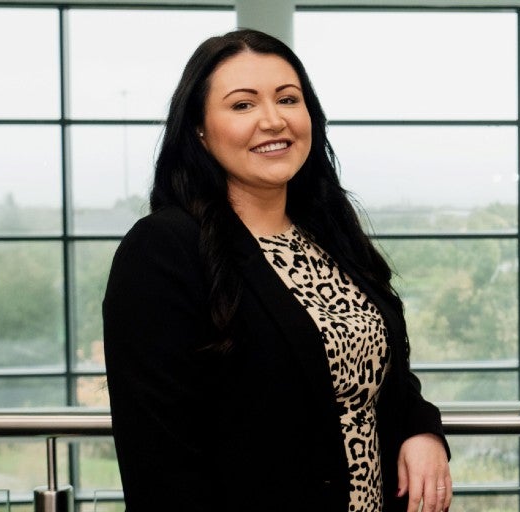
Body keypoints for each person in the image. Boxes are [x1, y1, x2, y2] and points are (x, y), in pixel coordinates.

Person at [102, 28, 451, 512]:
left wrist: (420, 429)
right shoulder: (164, 248)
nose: (272, 120)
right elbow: (159, 462)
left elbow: (379, 369)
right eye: (242, 105)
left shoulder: (328, 231)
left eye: (288, 99)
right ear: (200, 130)